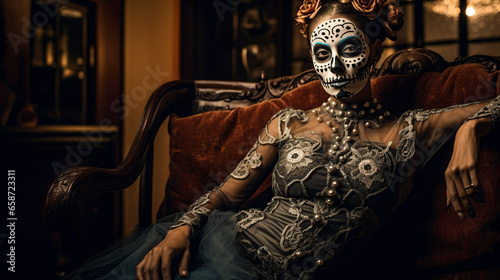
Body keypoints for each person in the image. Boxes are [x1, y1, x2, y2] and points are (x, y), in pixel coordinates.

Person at [64, 0, 499, 279]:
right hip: (228, 252)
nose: (336, 67)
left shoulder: (411, 130)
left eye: (349, 49)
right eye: (322, 53)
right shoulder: (288, 123)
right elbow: (224, 197)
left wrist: (471, 127)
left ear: (376, 44)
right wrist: (179, 232)